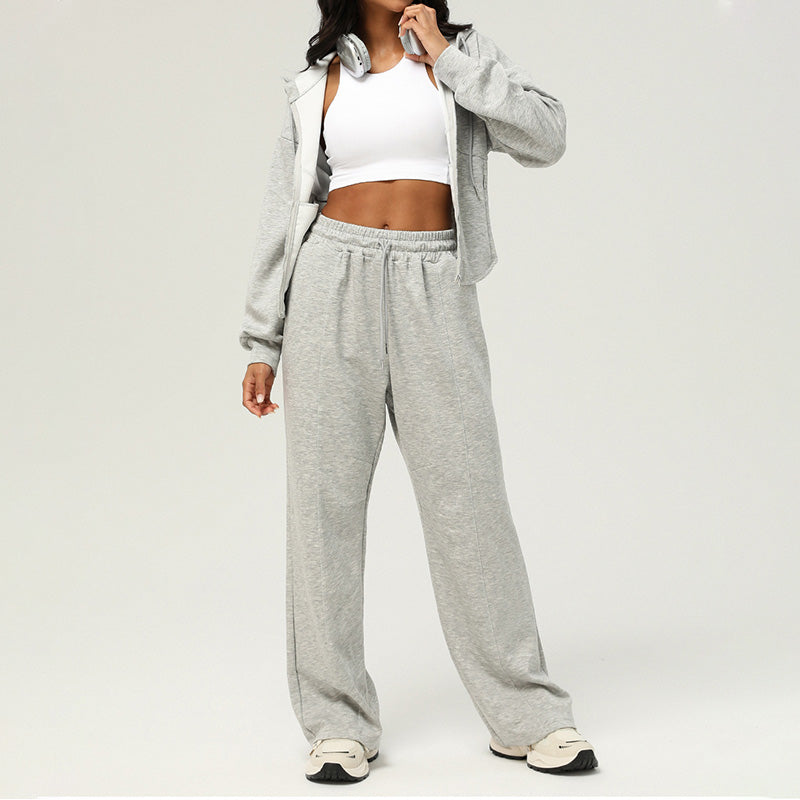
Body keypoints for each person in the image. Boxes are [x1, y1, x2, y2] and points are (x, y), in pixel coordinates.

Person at [239, 0, 598, 784]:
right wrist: (263, 338)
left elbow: (547, 137)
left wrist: (448, 58)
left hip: (435, 281)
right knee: (324, 512)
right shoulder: (319, 79)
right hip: (329, 281)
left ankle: (526, 714)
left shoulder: (460, 52)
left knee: (471, 503)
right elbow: (282, 212)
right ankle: (337, 723)